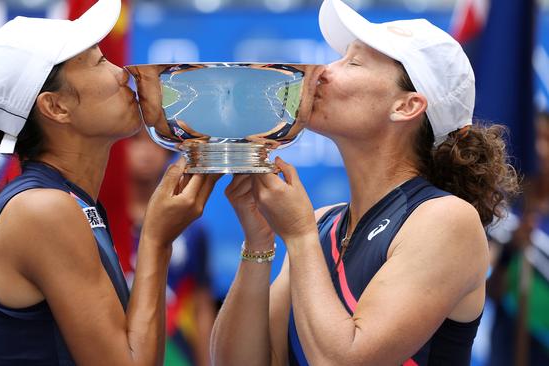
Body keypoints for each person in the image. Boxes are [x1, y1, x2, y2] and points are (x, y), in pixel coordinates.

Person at [211, 1, 519, 365]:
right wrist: (258, 243)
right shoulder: (322, 223)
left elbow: (345, 360)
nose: (323, 72)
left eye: (352, 62)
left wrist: (298, 236)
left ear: (406, 107)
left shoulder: (447, 220)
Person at [0, 0, 219, 364]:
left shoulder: (66, 201)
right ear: (56, 107)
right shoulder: (44, 210)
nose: (123, 72)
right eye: (99, 61)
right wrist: (157, 238)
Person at [126, 130, 216, 366]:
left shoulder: (192, 228)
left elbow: (202, 305)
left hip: (177, 351)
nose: (146, 152)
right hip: (119, 351)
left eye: (154, 143)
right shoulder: (100, 221)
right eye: (135, 141)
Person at [486, 112, 549, 366]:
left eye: (547, 139)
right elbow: (490, 291)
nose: (540, 149)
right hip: (512, 347)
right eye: (534, 138)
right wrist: (511, 248)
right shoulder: (502, 211)